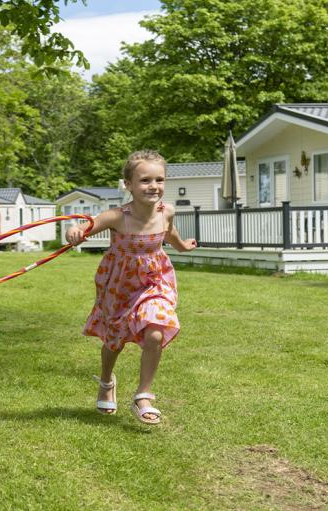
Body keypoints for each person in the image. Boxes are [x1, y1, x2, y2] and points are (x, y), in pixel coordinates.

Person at [66, 150, 197, 425]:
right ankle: (105, 382)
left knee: (156, 332)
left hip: (154, 281)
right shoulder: (116, 217)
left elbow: (169, 233)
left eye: (159, 180)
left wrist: (183, 246)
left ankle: (143, 395)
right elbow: (82, 229)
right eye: (145, 180)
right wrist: (74, 233)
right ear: (128, 185)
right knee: (114, 341)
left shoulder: (167, 211)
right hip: (120, 285)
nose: (154, 186)